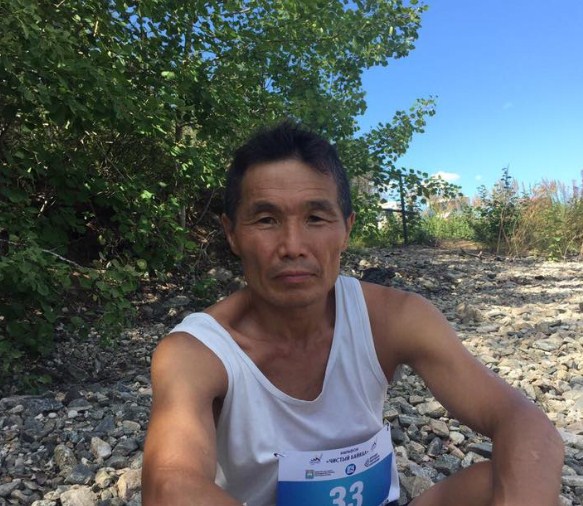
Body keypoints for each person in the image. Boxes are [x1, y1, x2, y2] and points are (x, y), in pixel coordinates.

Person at [141, 121, 564, 506]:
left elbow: (523, 423)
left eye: (316, 218)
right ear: (232, 234)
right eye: (266, 220)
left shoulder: (394, 318)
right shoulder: (197, 353)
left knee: (503, 477)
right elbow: (170, 486)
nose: (293, 246)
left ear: (347, 229)